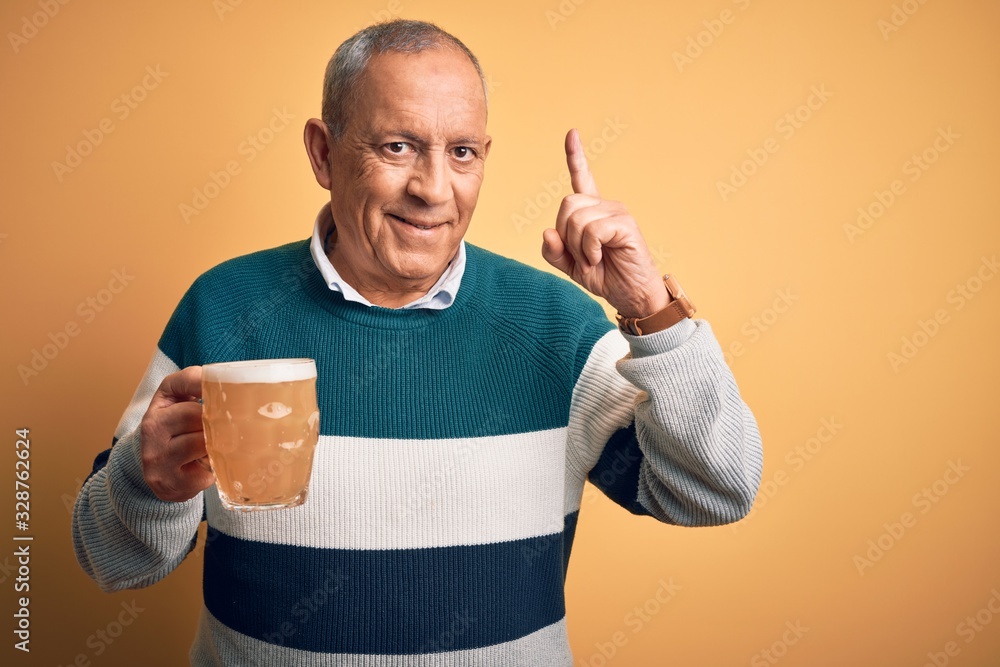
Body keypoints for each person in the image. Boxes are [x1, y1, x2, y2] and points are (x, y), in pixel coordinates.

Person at [72, 18, 762, 666]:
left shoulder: (558, 325)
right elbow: (112, 559)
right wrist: (143, 480)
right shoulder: (221, 308)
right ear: (323, 151)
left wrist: (649, 308)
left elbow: (715, 488)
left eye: (461, 152)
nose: (435, 189)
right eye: (397, 146)